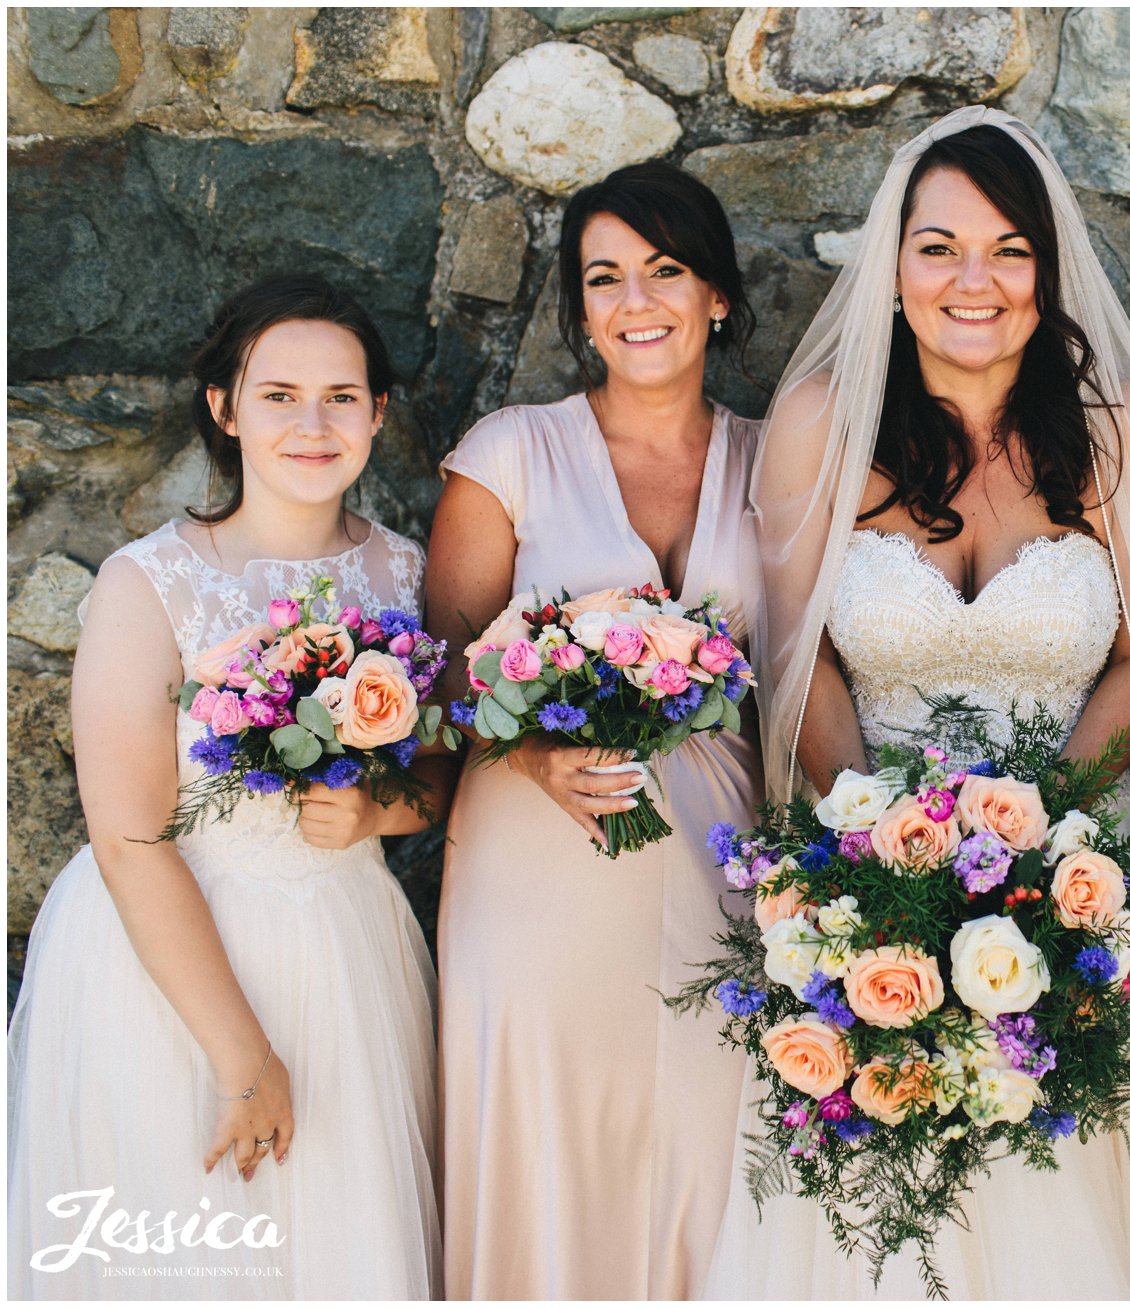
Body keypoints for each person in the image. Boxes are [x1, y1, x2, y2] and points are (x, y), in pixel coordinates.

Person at [704, 106, 1130, 1299]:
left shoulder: (1117, 434)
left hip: (1089, 867)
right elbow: (801, 663)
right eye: (937, 248)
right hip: (867, 860)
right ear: (890, 271)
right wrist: (888, 861)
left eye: (1006, 250)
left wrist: (1040, 850)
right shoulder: (822, 426)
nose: (970, 280)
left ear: (1047, 273)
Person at [8, 273, 441, 1298]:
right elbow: (129, 836)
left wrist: (382, 808)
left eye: (341, 395)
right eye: (278, 393)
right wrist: (242, 1056)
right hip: (165, 969)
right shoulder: (148, 583)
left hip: (345, 950)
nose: (311, 422)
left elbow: (446, 780)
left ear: (378, 412)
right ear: (225, 406)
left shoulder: (410, 577)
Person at [424, 161, 762, 1299]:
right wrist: (532, 747)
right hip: (537, 868)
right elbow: (440, 671)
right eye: (604, 279)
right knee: (547, 1142)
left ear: (715, 294)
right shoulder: (512, 452)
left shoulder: (784, 464)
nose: (636, 302)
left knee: (707, 1150)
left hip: (721, 874)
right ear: (578, 311)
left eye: (665, 271)